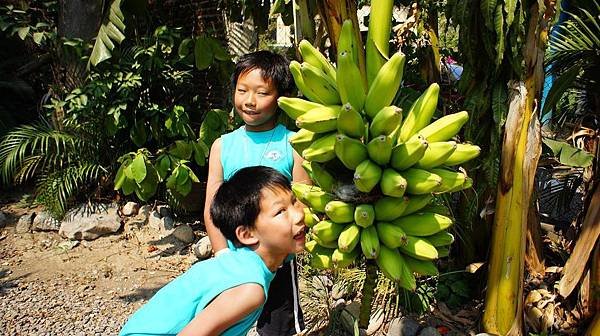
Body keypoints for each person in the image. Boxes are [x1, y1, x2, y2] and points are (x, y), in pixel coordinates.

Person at [120, 166, 306, 336]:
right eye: (280, 211)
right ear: (247, 235)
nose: (299, 215)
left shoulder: (239, 264)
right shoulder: (250, 288)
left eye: (294, 202)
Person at [203, 50, 310, 335]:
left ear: (281, 97)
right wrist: (222, 253)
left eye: (262, 93)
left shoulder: (293, 143)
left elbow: (303, 202)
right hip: (234, 261)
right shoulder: (223, 146)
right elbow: (211, 206)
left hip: (277, 265)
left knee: (278, 329)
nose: (249, 101)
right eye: (242, 91)